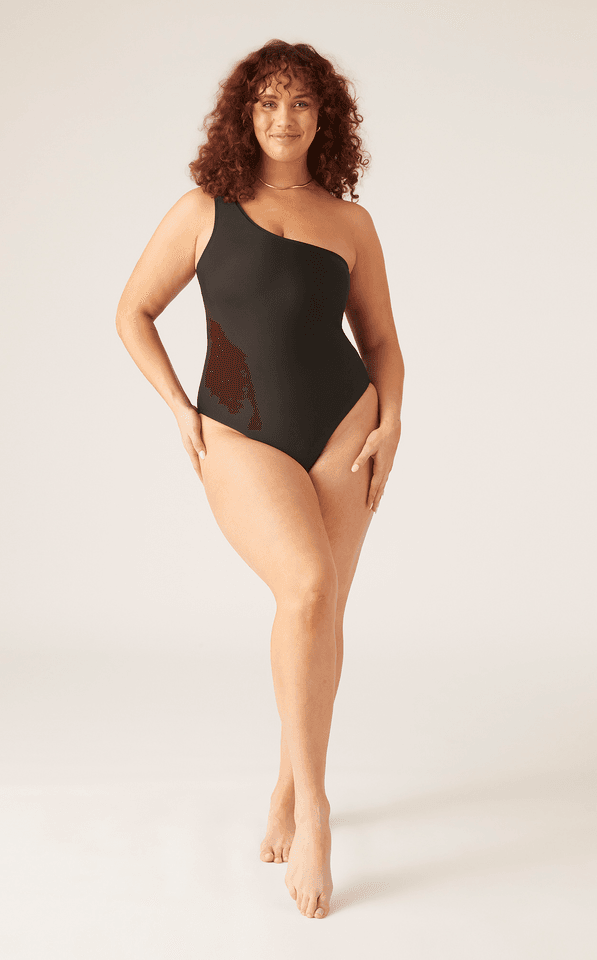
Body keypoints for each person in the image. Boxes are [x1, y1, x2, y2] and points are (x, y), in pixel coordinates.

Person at [116, 39, 404, 920]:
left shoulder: (350, 223)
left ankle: (289, 782)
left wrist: (392, 419)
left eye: (302, 103)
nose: (285, 118)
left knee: (325, 609)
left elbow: (381, 340)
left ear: (325, 119)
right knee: (307, 586)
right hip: (239, 429)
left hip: (345, 423)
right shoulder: (204, 209)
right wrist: (179, 408)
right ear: (246, 114)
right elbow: (133, 311)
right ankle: (316, 809)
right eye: (270, 101)